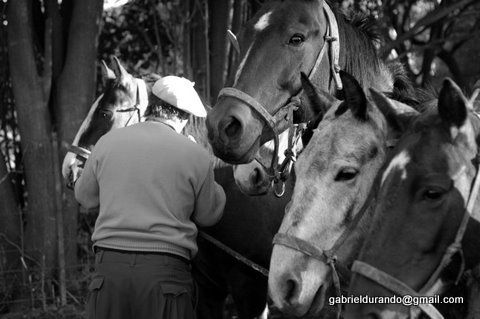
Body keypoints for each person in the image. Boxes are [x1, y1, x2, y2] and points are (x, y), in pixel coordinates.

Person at [74, 76, 226, 319]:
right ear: (184, 116)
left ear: (150, 105)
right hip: (165, 276)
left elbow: (85, 197)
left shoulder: (106, 143)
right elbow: (209, 215)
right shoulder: (195, 155)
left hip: (109, 272)